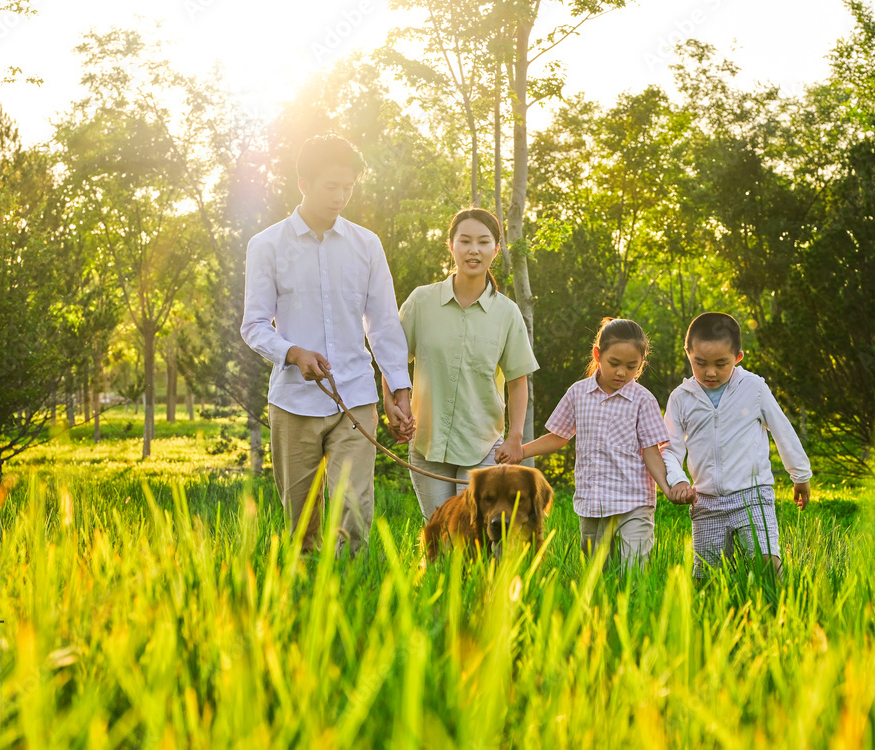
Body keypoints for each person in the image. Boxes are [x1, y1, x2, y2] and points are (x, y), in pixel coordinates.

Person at [240, 133, 413, 556]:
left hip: (354, 397)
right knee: (302, 525)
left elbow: (384, 324)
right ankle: (306, 602)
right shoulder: (266, 246)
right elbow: (254, 325)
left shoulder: (366, 244)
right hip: (293, 402)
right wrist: (293, 352)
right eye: (331, 186)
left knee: (352, 511)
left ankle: (354, 597)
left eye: (348, 187)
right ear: (303, 182)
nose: (341, 197)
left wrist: (399, 392)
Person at [383, 208, 538, 521]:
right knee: (440, 533)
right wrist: (390, 404)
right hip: (427, 441)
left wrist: (515, 437)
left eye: (483, 242)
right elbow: (393, 361)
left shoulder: (507, 314)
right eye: (465, 241)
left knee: (474, 535)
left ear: (496, 249)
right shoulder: (421, 301)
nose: (473, 250)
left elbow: (518, 381)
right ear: (450, 245)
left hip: (482, 446)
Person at [501, 318, 685, 569]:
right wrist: (520, 452)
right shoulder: (578, 393)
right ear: (598, 354)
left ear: (641, 364)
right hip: (593, 503)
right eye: (614, 363)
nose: (622, 372)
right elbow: (559, 436)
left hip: (634, 502)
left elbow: (652, 452)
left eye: (632, 366)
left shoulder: (643, 400)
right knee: (597, 572)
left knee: (634, 570)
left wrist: (667, 487)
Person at [662, 312, 811, 580]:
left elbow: (782, 430)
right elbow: (670, 448)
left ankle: (780, 610)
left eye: (721, 364)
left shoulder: (753, 388)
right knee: (706, 577)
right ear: (688, 353)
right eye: (700, 362)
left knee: (766, 560)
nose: (710, 372)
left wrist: (800, 474)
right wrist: (678, 481)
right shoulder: (681, 399)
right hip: (704, 500)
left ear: (738, 357)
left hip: (752, 494)